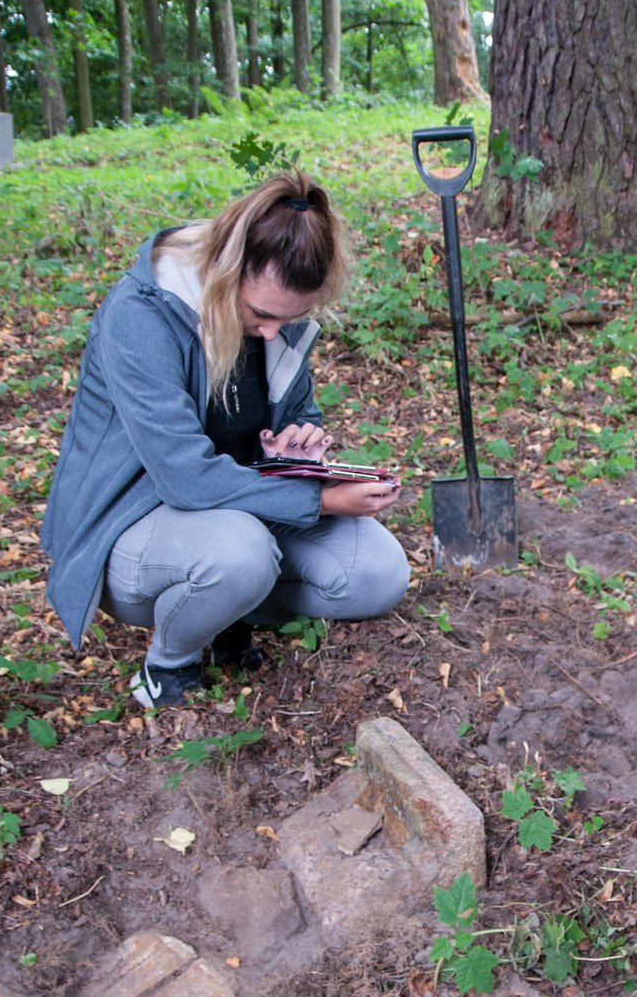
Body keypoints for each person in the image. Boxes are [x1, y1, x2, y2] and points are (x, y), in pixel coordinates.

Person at [42, 171, 410, 708]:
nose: (269, 333)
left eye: (291, 319)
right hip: (128, 525)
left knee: (378, 574)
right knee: (240, 554)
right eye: (261, 314)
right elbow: (185, 477)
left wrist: (292, 452)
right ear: (224, 270)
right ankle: (168, 666)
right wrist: (321, 499)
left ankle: (223, 613)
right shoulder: (140, 317)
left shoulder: (273, 321)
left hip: (237, 512)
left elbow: (297, 407)